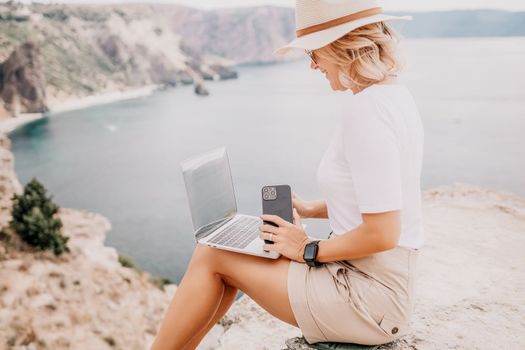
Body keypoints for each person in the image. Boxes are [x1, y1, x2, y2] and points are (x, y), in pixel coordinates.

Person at [150, 0, 424, 348]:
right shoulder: (394, 97)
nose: (312, 65)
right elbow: (381, 196)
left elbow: (383, 232)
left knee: (213, 254)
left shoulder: (366, 112)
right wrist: (311, 209)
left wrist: (307, 248)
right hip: (382, 286)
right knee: (226, 256)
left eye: (314, 53)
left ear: (341, 46)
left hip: (367, 299)